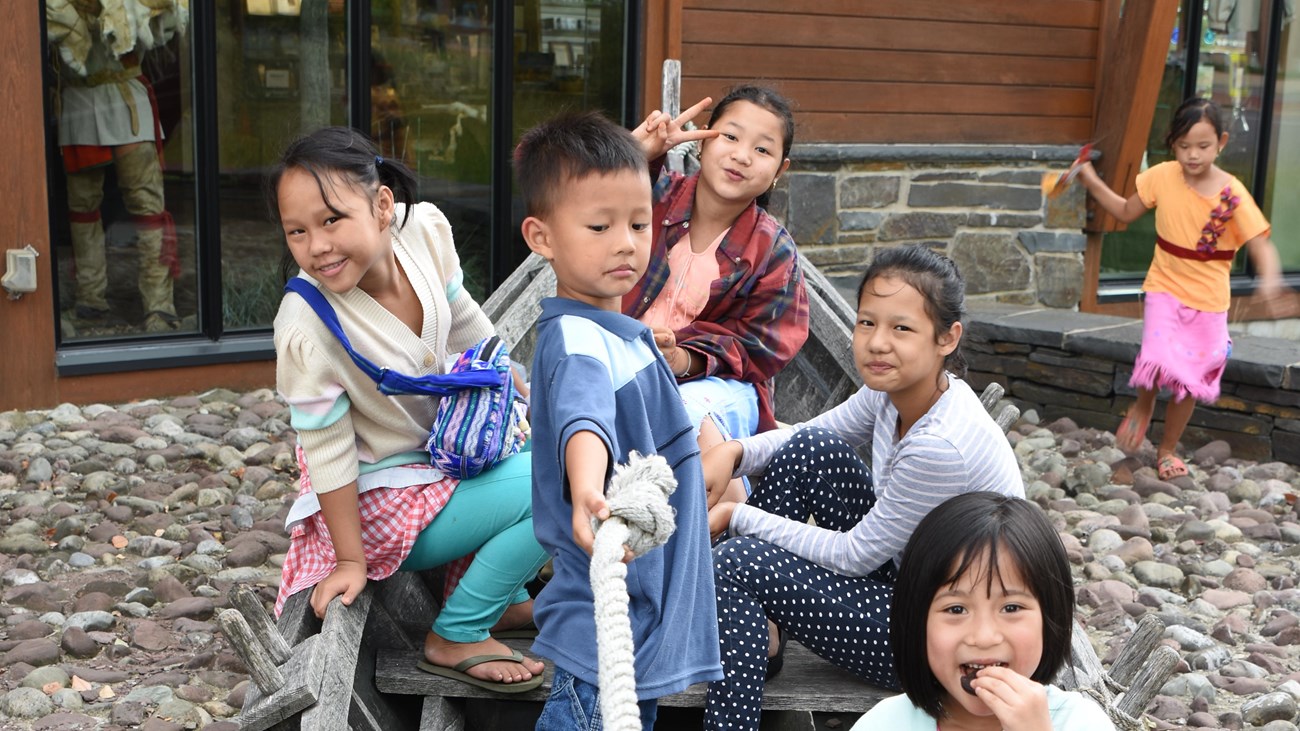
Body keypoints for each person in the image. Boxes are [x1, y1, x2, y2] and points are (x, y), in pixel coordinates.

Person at [269, 126, 548, 693]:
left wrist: (507, 379)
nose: (317, 245)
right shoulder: (305, 327)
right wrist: (349, 561)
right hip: (383, 498)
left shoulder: (422, 231)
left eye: (331, 220)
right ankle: (458, 632)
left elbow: (462, 315)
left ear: (381, 205)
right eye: (297, 232)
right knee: (562, 481)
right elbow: (327, 452)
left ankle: (507, 603)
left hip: (441, 456)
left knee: (577, 446)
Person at [701, 244, 1023, 730]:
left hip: (945, 642)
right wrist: (734, 453)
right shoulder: (897, 391)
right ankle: (756, 633)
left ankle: (734, 707)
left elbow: (856, 555)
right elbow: (811, 433)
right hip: (915, 586)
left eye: (902, 328)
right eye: (867, 323)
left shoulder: (941, 445)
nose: (876, 342)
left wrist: (735, 514)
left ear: (947, 338)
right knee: (811, 450)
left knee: (736, 561)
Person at [517, 110, 723, 729]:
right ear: (541, 237)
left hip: (640, 609)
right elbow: (587, 421)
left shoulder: (621, 332)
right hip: (608, 614)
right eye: (600, 227)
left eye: (639, 223)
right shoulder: (580, 337)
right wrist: (586, 487)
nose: (626, 243)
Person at [1076, 97, 1286, 481]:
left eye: (1203, 146)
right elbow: (1124, 211)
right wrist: (1090, 179)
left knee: (1189, 379)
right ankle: (1142, 406)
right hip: (1165, 286)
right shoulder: (1162, 176)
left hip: (1209, 300)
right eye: (1184, 146)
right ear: (1172, 144)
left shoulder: (1232, 193)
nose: (1193, 155)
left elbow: (1260, 244)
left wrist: (1270, 279)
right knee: (1156, 354)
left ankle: (1168, 448)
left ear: (1221, 142)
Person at [628, 85, 810, 506]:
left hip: (720, 385)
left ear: (780, 169)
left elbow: (762, 347)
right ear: (705, 137)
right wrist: (636, 154)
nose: (742, 156)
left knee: (685, 410)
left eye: (762, 150)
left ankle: (728, 537)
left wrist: (685, 359)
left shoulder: (773, 251)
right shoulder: (651, 196)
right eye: (730, 136)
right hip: (624, 365)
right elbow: (587, 205)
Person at [852, 491, 1115, 730]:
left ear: (1051, 619)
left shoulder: (1082, 722)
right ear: (916, 622)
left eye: (1011, 607)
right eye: (956, 609)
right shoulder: (884, 723)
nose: (984, 637)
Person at [45, 0, 185, 332]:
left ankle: (160, 307)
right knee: (82, 206)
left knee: (147, 203)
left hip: (125, 97)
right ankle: (90, 300)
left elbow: (162, 18)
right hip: (80, 100)